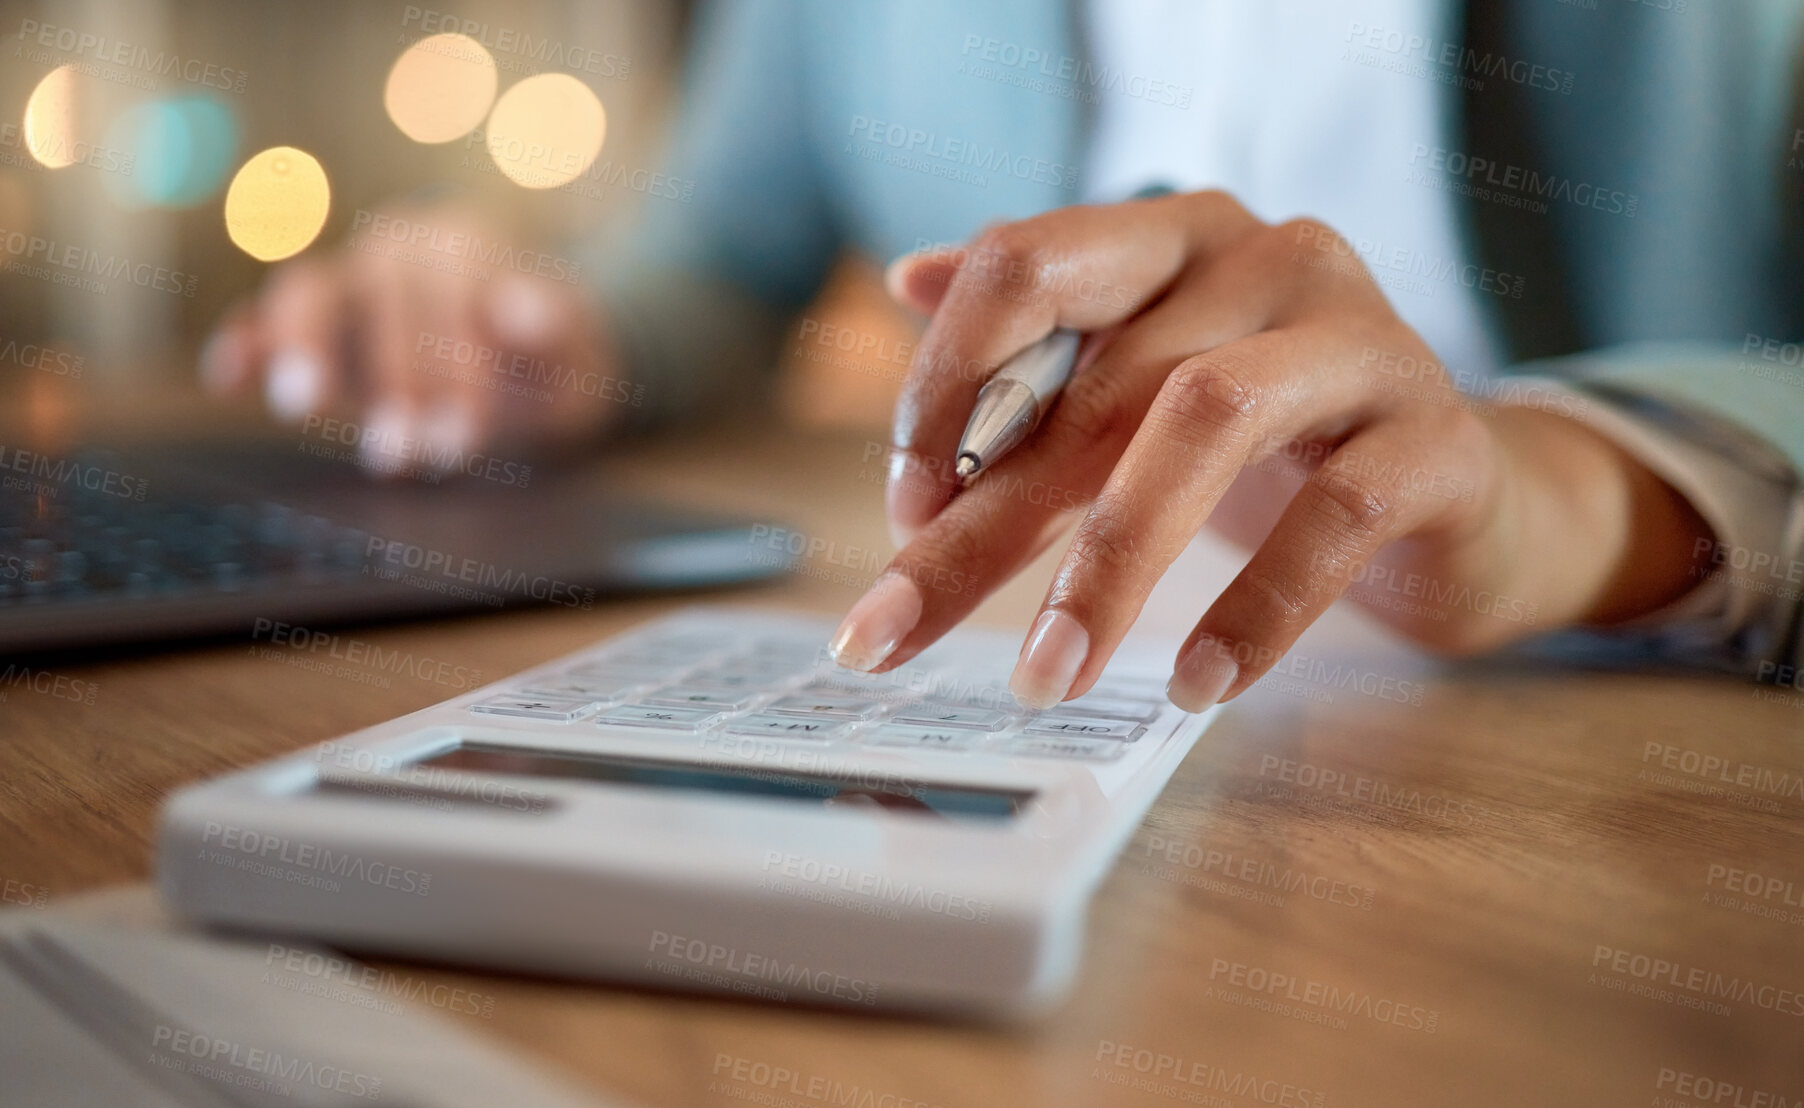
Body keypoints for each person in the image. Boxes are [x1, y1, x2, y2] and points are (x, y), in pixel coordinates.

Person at [201, 0, 1804, 711]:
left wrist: (1561, 495)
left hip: (1587, 734)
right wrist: (535, 333)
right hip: (1073, 720)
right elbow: (711, 261)